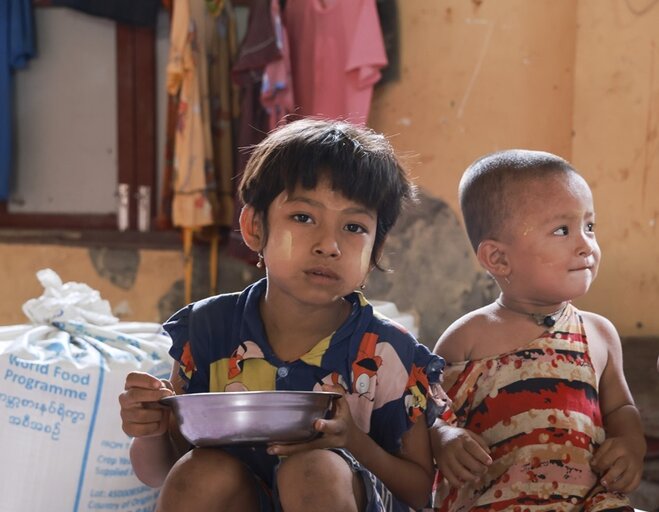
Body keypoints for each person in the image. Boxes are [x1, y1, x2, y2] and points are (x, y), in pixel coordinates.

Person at [119, 118, 446, 512]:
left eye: (354, 227)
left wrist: (353, 442)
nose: (329, 245)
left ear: (376, 250)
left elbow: (421, 490)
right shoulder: (206, 330)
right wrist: (150, 430)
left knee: (313, 469)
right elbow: (161, 473)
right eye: (304, 218)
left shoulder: (389, 352)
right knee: (198, 473)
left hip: (342, 497)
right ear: (254, 228)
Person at [430, 149, 647, 511]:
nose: (586, 245)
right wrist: (444, 437)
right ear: (498, 258)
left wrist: (630, 444)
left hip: (588, 501)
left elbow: (621, 407)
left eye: (589, 226)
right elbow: (428, 414)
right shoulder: (468, 336)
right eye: (563, 230)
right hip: (499, 500)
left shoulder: (599, 334)